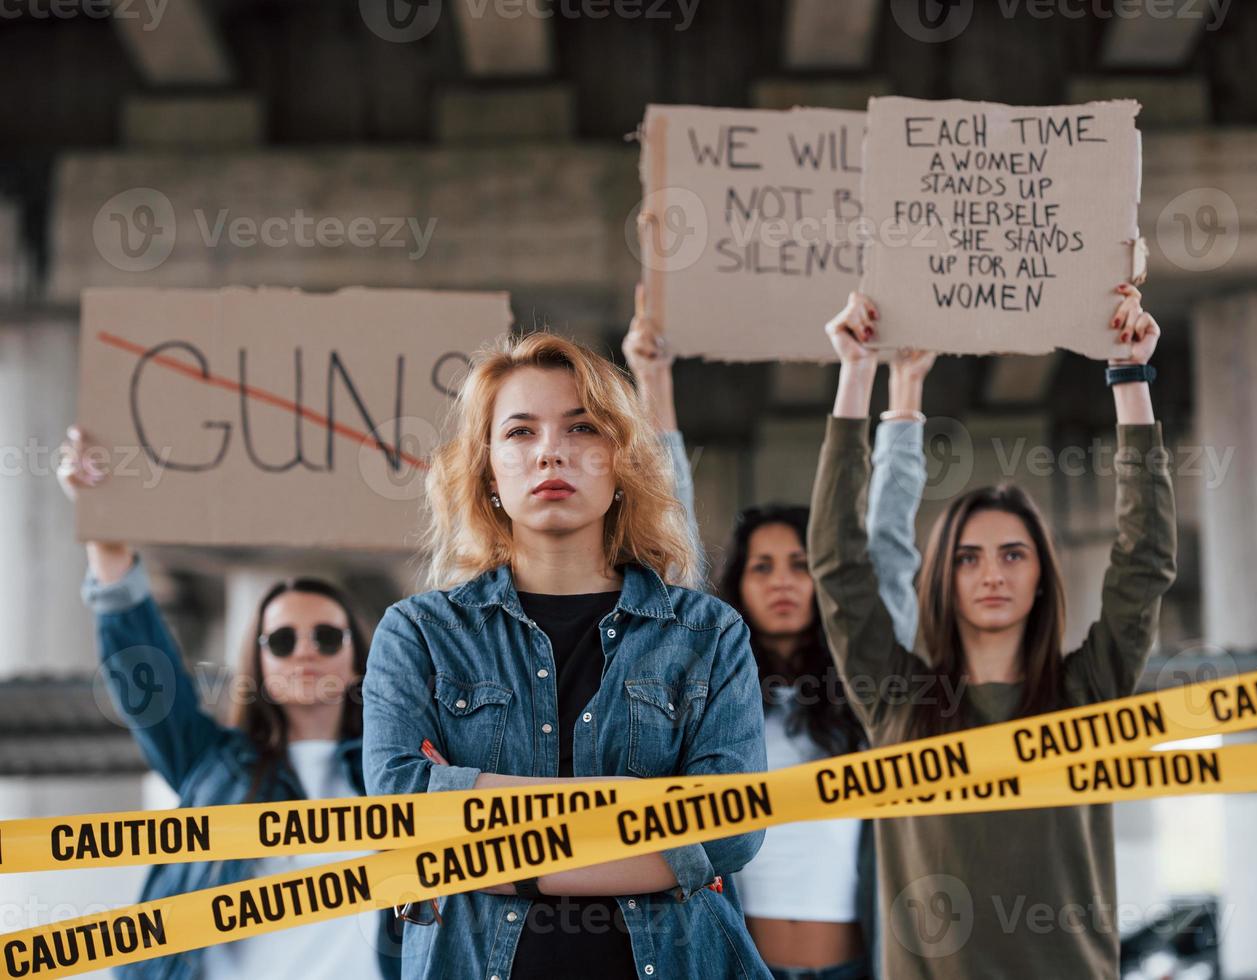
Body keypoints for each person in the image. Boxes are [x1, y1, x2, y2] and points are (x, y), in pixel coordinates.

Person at [362, 332, 771, 980]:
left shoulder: (706, 634)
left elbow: (726, 829)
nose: (551, 451)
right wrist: (639, 806)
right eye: (520, 433)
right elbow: (398, 811)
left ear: (622, 461)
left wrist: (488, 852)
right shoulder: (420, 634)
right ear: (488, 471)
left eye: (581, 429)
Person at [808, 284, 1179, 978]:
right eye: (967, 558)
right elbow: (836, 563)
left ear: (1041, 575)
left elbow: (1145, 560)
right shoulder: (896, 699)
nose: (991, 575)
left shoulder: (1087, 687)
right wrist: (856, 372)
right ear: (943, 579)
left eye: (1013, 554)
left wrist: (1128, 376)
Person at [622, 282, 933, 980]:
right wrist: (653, 378)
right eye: (762, 566)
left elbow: (885, 551)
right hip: (735, 962)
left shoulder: (864, 689)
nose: (784, 579)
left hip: (854, 966)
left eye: (800, 563)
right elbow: (672, 549)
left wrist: (903, 389)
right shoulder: (710, 685)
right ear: (739, 586)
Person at [56, 427, 402, 980]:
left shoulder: (403, 776)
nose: (306, 652)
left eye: (327, 637)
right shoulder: (211, 765)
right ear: (259, 663)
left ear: (358, 657)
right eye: (283, 640)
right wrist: (104, 532)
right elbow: (143, 676)